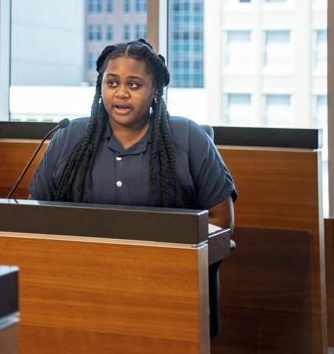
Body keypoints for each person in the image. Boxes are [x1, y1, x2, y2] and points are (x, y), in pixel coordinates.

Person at [29, 39, 235, 229]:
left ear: (155, 89)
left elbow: (221, 220)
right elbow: (33, 212)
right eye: (112, 83)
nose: (121, 93)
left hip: (164, 264)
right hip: (78, 262)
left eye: (133, 84)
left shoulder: (189, 137)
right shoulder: (69, 136)